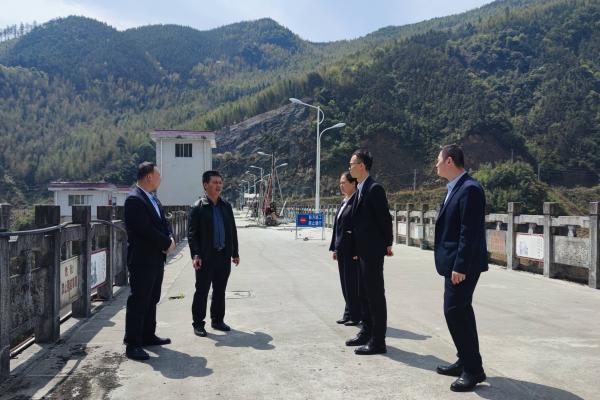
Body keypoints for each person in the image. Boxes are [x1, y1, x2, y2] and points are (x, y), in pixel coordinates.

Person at [434, 144, 488, 392]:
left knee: (455, 311)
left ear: (449, 161)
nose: (435, 164)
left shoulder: (470, 189)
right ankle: (465, 360)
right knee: (459, 312)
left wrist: (461, 266)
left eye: (438, 160)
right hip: (454, 263)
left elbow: (469, 231)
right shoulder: (454, 188)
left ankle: (473, 370)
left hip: (462, 266)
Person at [123, 162, 175, 361]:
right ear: (149, 176)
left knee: (152, 298)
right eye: (158, 175)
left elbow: (164, 223)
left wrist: (170, 237)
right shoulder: (134, 200)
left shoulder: (153, 199)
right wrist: (166, 243)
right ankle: (133, 343)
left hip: (156, 258)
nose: (161, 179)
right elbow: (144, 229)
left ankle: (148, 335)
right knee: (139, 300)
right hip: (142, 259)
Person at [346, 149, 393, 355]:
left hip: (372, 251)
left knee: (375, 295)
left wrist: (387, 244)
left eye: (352, 164)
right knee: (363, 293)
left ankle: (378, 340)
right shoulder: (360, 188)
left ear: (362, 166)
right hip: (361, 250)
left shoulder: (374, 189)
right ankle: (366, 332)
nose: (349, 168)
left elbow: (384, 219)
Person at [188, 170, 240, 337]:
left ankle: (217, 320)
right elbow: (192, 234)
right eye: (215, 182)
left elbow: (232, 230)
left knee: (220, 290)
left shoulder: (226, 206)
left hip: (223, 255)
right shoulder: (198, 207)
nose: (219, 186)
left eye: (220, 182)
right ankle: (198, 323)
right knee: (202, 290)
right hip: (205, 257)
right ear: (205, 185)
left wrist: (235, 252)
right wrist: (196, 255)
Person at [329, 172, 361, 326]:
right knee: (345, 282)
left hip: (351, 250)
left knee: (352, 283)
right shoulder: (344, 201)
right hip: (341, 248)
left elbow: (358, 228)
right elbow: (338, 227)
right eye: (340, 183)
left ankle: (355, 315)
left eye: (344, 183)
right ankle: (348, 313)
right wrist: (335, 248)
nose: (341, 186)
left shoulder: (357, 201)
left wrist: (356, 250)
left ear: (353, 183)